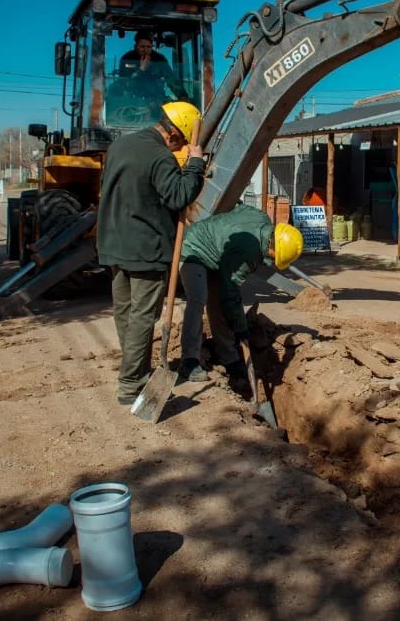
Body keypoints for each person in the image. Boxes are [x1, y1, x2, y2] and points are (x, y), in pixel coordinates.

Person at [97, 100, 205, 406]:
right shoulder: (160, 157)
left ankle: (137, 368)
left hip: (113, 243)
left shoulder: (121, 145)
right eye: (182, 142)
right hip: (145, 248)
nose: (180, 147)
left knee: (126, 314)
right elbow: (179, 196)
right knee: (143, 317)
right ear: (173, 134)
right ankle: (132, 383)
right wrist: (195, 164)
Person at [176, 204, 304, 387]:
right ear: (272, 250)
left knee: (217, 307)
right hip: (194, 248)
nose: (273, 262)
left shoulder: (262, 217)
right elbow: (231, 294)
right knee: (198, 299)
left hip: (221, 256)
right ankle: (189, 361)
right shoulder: (248, 254)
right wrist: (241, 328)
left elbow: (236, 209)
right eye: (275, 259)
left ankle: (229, 358)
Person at [114, 31, 188, 110]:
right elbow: (126, 84)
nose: (145, 50)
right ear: (136, 47)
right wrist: (141, 70)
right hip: (134, 102)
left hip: (156, 100)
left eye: (148, 47)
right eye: (142, 46)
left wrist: (182, 96)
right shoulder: (127, 59)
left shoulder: (159, 59)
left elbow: (171, 80)